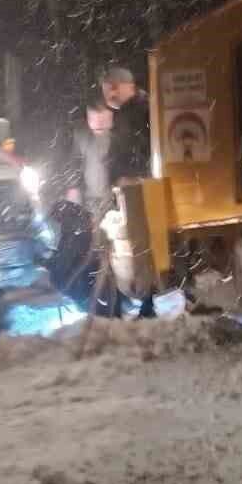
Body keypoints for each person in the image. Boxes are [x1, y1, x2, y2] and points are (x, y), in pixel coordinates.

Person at [99, 64, 156, 317]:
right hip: (131, 187)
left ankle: (147, 301)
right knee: (137, 247)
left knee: (141, 246)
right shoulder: (131, 110)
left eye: (111, 88)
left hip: (137, 187)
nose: (108, 94)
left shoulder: (139, 109)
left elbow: (141, 147)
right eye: (105, 89)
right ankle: (144, 300)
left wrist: (129, 175)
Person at [50, 99, 114, 307]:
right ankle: (87, 297)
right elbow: (74, 164)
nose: (98, 127)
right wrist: (73, 189)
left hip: (111, 207)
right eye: (93, 121)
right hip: (86, 208)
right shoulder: (81, 135)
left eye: (103, 122)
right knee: (82, 256)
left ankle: (102, 298)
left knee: (106, 256)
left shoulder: (121, 138)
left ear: (111, 118)